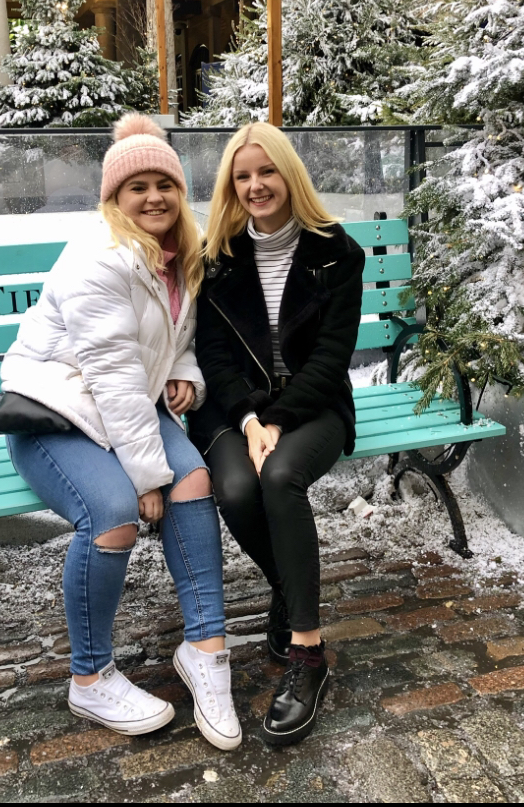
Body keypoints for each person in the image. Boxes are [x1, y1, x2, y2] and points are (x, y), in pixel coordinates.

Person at [0, 114, 240, 749]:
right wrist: (143, 478)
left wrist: (186, 374)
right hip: (55, 413)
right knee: (113, 515)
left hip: (124, 408)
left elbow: (176, 340)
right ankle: (90, 677)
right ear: (113, 198)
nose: (155, 196)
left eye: (166, 182)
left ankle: (206, 649)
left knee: (193, 480)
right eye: (138, 187)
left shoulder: (174, 256)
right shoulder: (101, 258)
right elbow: (108, 376)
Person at [189, 122, 364, 746]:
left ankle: (307, 652)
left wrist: (277, 421)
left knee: (281, 475)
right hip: (232, 412)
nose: (256, 185)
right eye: (243, 176)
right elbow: (213, 355)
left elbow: (330, 357)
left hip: (312, 406)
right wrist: (246, 420)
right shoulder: (217, 257)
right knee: (236, 489)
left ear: (289, 175)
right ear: (230, 186)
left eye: (267, 172)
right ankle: (291, 596)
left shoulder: (335, 254)